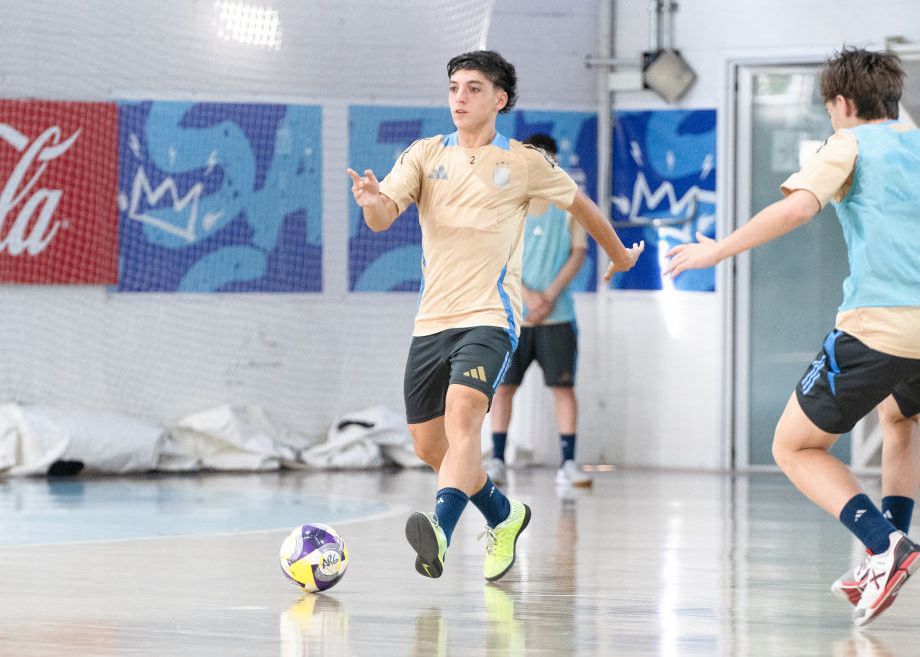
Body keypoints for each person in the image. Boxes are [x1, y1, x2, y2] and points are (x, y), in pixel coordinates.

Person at [348, 50, 642, 581]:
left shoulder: (525, 162)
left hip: (490, 316)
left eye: (474, 88)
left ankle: (439, 531)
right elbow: (382, 218)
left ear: (499, 99)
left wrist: (619, 256)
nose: (459, 97)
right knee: (430, 447)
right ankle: (504, 516)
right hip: (431, 322)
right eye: (454, 87)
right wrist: (371, 200)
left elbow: (582, 206)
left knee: (463, 414)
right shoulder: (424, 153)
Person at [664, 47, 920, 627]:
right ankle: (888, 553)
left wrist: (716, 251)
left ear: (843, 102)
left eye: (829, 109)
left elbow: (798, 210)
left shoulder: (848, 143)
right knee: (899, 419)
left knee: (794, 447)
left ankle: (886, 546)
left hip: (879, 324)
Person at [487, 133, 594, 489]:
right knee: (503, 389)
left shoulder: (570, 203)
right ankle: (497, 461)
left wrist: (547, 296)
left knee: (563, 389)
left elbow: (578, 254)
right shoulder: (506, 202)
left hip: (558, 316)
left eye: (549, 160)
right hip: (513, 316)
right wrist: (527, 296)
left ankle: (569, 463)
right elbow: (495, 257)